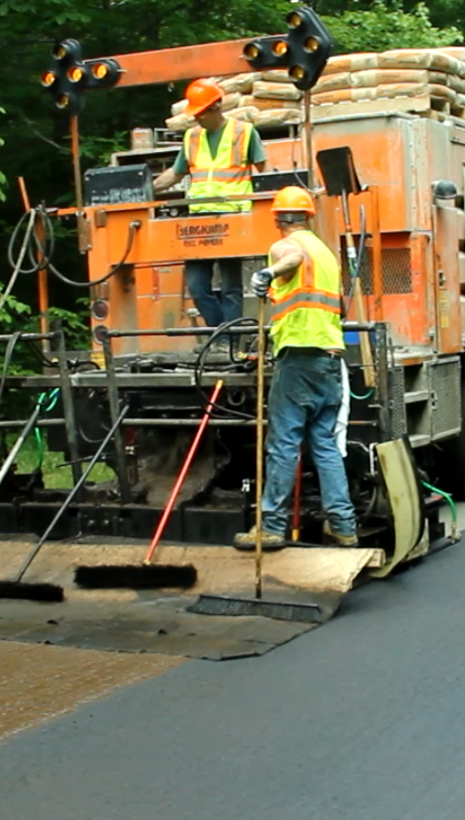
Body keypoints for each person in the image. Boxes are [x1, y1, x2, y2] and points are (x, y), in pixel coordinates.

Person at [236, 186, 358, 551]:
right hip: (330, 359)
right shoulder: (326, 253)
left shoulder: (287, 245)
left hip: (299, 358)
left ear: (278, 218)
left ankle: (271, 526)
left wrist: (267, 273)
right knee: (324, 444)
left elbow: (291, 256)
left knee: (284, 442)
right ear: (308, 216)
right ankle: (343, 525)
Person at [152, 78, 268, 328]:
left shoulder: (244, 132)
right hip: (199, 220)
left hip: (233, 217)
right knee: (196, 286)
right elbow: (176, 173)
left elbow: (266, 172)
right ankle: (222, 335)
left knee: (231, 287)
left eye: (200, 113)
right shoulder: (191, 137)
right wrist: (147, 189)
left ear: (216, 107)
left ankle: (231, 342)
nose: (196, 119)